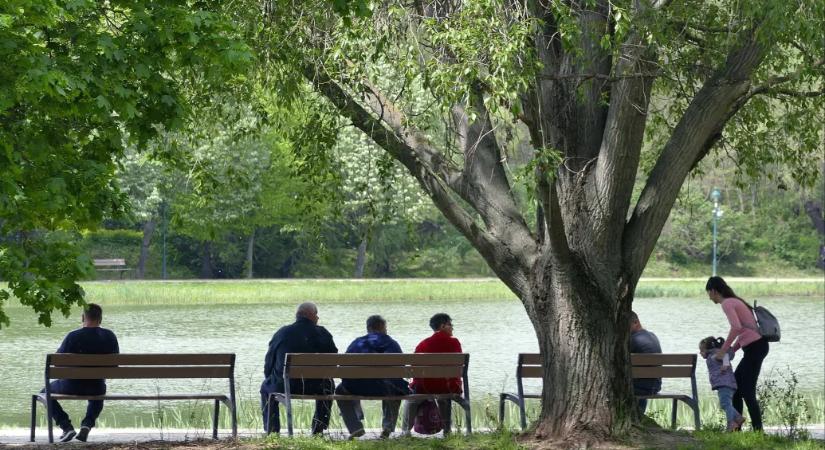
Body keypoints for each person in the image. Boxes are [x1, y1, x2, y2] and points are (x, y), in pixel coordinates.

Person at [45, 303, 119, 442]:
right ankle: (87, 425)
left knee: (45, 392)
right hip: (97, 386)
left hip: (71, 385)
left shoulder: (73, 336)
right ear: (100, 319)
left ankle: (67, 427)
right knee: (99, 391)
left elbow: (57, 361)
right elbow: (114, 364)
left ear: (83, 317)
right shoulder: (110, 336)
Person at [260, 302, 337, 435]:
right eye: (317, 315)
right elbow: (333, 363)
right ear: (310, 315)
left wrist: (270, 378)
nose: (318, 318)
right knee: (328, 385)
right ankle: (318, 429)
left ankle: (272, 431)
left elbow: (269, 362)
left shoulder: (282, 333)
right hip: (317, 386)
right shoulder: (323, 333)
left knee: (266, 388)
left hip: (286, 385)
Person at [706, 276, 769, 431]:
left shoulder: (727, 303)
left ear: (714, 291)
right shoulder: (735, 301)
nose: (709, 297)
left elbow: (736, 328)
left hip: (756, 348)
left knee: (745, 391)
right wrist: (732, 350)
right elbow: (745, 331)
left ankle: (755, 430)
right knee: (739, 390)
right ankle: (738, 427)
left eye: (708, 293)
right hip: (755, 347)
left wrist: (722, 351)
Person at [336, 315, 410, 439]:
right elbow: (401, 369)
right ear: (382, 327)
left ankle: (355, 428)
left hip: (358, 387)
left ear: (368, 328)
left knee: (339, 391)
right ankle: (387, 427)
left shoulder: (357, 343)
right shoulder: (392, 343)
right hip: (387, 388)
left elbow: (344, 368)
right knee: (395, 387)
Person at [401, 313, 462, 435]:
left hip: (424, 387)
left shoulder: (423, 344)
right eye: (450, 324)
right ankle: (447, 430)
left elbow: (414, 369)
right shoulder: (454, 342)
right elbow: (458, 368)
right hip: (448, 388)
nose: (452, 328)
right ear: (443, 325)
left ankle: (405, 430)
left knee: (411, 399)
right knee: (443, 396)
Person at [699, 336, 746, 432]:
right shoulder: (712, 355)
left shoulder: (714, 354)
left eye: (702, 350)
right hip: (725, 383)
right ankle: (738, 418)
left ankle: (731, 423)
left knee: (725, 404)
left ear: (708, 349)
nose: (700, 353)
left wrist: (725, 365)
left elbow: (725, 355)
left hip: (725, 383)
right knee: (725, 404)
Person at [629, 311, 662, 415]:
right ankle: (639, 415)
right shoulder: (653, 336)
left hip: (640, 387)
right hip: (655, 386)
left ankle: (634, 415)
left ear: (636, 322)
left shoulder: (633, 340)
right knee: (642, 378)